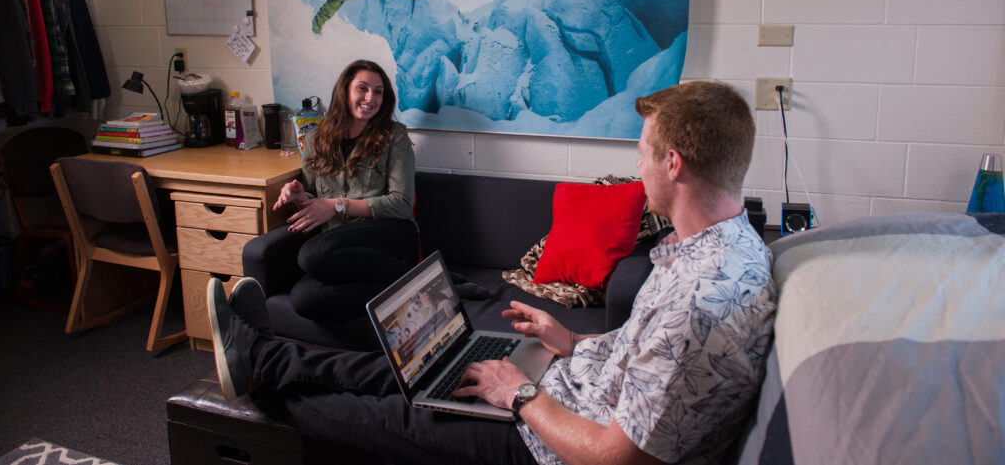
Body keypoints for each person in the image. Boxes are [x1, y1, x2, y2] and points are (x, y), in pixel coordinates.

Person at [209, 80, 776, 465]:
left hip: (543, 439)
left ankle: (255, 392)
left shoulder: (700, 299)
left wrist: (520, 395)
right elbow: (649, 355)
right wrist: (572, 340)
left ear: (673, 164)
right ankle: (262, 354)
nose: (636, 164)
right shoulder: (729, 248)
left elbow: (616, 457)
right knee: (405, 371)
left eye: (643, 152)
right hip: (564, 389)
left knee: (378, 414)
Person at [262, 58, 418, 321]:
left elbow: (401, 203)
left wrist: (336, 205)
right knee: (303, 298)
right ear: (344, 90)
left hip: (387, 233)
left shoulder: (395, 136)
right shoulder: (315, 139)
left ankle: (409, 276)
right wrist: (301, 196)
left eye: (378, 92)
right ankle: (408, 289)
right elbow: (313, 197)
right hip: (339, 243)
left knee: (312, 256)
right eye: (363, 88)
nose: (370, 98)